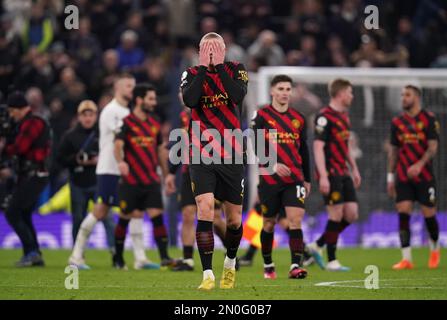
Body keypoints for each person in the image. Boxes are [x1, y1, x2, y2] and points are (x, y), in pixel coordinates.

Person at [180, 32, 248, 290]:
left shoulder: (235, 69)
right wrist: (203, 68)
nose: (210, 52)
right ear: (199, 50)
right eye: (206, 48)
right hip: (201, 152)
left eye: (215, 48)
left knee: (233, 220)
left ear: (224, 49)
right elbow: (190, 100)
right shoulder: (190, 73)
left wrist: (218, 66)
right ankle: (207, 274)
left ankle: (230, 263)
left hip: (231, 153)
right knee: (205, 208)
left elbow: (237, 96)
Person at [68, 73, 135, 269]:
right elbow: (120, 141)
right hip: (109, 168)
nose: (132, 89)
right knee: (100, 211)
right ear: (118, 87)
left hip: (121, 169)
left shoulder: (125, 111)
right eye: (129, 86)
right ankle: (76, 255)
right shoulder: (111, 111)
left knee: (131, 211)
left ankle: (127, 258)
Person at [166, 93, 236, 272]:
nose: (183, 95)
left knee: (215, 219)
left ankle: (231, 253)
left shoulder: (212, 111)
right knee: (188, 214)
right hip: (190, 170)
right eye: (182, 92)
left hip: (212, 169)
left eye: (186, 91)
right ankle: (188, 260)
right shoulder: (183, 116)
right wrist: (171, 173)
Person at [251, 75, 311, 279]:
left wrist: (308, 179)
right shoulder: (261, 115)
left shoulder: (299, 118)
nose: (285, 92)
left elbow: (304, 150)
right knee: (269, 223)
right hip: (269, 178)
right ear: (272, 92)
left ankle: (295, 266)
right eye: (281, 89)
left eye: (288, 89)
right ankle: (268, 264)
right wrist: (272, 164)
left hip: (294, 178)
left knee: (295, 220)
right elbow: (255, 144)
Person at [112, 83, 177, 270]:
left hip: (150, 180)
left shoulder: (155, 124)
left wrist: (166, 177)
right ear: (139, 100)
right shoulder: (126, 123)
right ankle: (118, 258)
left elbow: (160, 152)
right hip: (130, 181)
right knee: (125, 217)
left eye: (154, 99)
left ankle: (164, 257)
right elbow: (117, 145)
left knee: (157, 216)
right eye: (150, 99)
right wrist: (120, 162)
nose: (154, 102)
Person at [308, 78, 361, 272]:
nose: (352, 96)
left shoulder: (344, 116)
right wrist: (322, 175)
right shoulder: (324, 116)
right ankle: (331, 260)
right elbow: (318, 147)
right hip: (330, 172)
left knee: (352, 214)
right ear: (340, 94)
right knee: (336, 214)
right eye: (350, 92)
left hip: (343, 171)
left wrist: (354, 167)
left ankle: (317, 245)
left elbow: (345, 145)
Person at [387, 85, 441, 270]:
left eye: (407, 95)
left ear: (416, 97)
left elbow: (433, 147)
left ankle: (434, 250)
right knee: (403, 213)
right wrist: (390, 177)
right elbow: (393, 151)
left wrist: (419, 165)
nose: (403, 98)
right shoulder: (397, 122)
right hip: (403, 175)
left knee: (429, 216)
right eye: (402, 95)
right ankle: (406, 259)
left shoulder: (429, 119)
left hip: (424, 176)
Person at [1, 91, 51, 267]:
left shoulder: (33, 123)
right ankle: (34, 253)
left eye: (12, 111)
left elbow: (20, 148)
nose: (11, 115)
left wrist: (4, 147)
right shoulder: (27, 123)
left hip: (34, 175)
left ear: (19, 109)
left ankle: (31, 251)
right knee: (23, 213)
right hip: (30, 175)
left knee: (12, 211)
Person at [57, 100, 115, 249]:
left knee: (107, 218)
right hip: (78, 183)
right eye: (85, 115)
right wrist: (77, 160)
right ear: (79, 117)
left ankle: (116, 254)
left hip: (99, 182)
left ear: (96, 116)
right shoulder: (69, 136)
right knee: (77, 219)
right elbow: (59, 159)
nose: (88, 118)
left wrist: (99, 160)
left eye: (91, 114)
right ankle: (77, 254)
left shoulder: (103, 134)